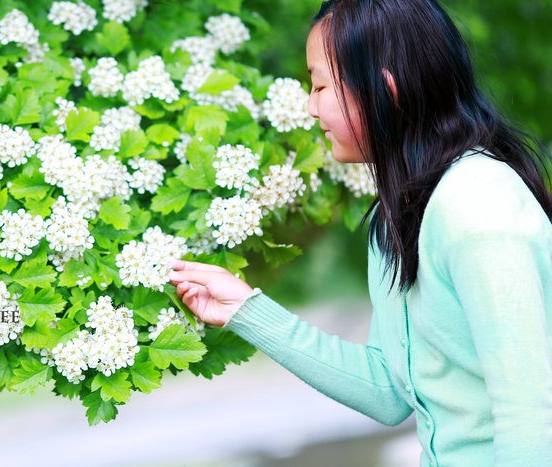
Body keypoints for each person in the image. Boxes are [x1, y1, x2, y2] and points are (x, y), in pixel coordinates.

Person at [167, 0, 552, 465]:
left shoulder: (479, 204)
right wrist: (247, 311)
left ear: (384, 89)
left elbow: (532, 413)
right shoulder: (400, 214)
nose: (311, 107)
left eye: (320, 85)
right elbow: (390, 390)